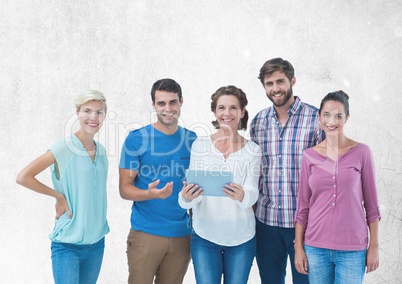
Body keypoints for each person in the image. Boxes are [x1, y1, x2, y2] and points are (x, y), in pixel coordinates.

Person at [16, 90, 110, 284]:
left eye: (99, 112)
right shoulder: (64, 148)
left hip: (96, 244)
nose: (93, 117)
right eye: (87, 111)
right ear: (77, 113)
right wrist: (58, 196)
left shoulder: (101, 151)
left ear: (104, 115)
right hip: (67, 246)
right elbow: (24, 177)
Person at [250, 57, 325, 284]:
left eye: (280, 81)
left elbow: (326, 176)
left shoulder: (316, 119)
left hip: (305, 225)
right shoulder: (257, 123)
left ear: (292, 80)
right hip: (266, 223)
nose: (275, 89)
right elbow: (255, 174)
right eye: (269, 84)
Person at [294, 90, 381, 284]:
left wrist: (374, 245)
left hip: (353, 249)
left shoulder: (362, 152)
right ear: (319, 116)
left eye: (338, 116)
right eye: (326, 114)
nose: (331, 121)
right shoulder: (309, 156)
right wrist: (299, 248)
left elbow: (372, 206)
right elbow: (303, 208)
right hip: (315, 247)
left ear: (347, 118)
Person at [179, 85, 262, 284]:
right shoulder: (200, 145)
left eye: (233, 108)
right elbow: (190, 196)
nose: (227, 113)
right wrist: (186, 197)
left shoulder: (253, 150)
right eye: (221, 108)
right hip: (205, 236)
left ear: (242, 111)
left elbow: (253, 190)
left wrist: (243, 195)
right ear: (215, 112)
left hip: (242, 237)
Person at [119, 78, 197, 284]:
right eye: (161, 103)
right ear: (153, 105)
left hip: (182, 235)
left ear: (181, 102)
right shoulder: (136, 139)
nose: (168, 108)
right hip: (146, 234)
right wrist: (148, 194)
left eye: (173, 102)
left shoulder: (193, 140)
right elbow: (124, 189)